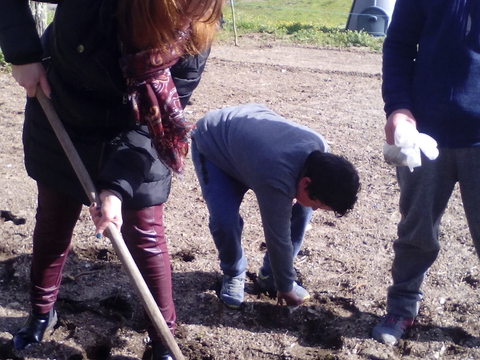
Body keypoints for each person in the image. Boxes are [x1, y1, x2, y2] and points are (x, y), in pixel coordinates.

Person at [0, 0, 223, 358]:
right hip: (64, 105)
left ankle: (162, 338)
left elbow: (163, 116)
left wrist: (117, 187)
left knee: (145, 228)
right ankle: (42, 313)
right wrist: (22, 53)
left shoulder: (198, 24)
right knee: (55, 216)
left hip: (143, 125)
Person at [372, 0, 480, 345]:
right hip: (424, 134)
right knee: (416, 229)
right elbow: (400, 45)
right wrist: (398, 107)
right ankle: (401, 308)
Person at [190, 104, 360, 309]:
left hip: (252, 149)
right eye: (319, 205)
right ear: (305, 182)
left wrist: (281, 280)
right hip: (215, 144)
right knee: (224, 220)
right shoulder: (275, 174)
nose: (316, 209)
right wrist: (286, 287)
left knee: (302, 210)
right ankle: (233, 272)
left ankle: (270, 274)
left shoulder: (320, 149)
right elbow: (277, 235)